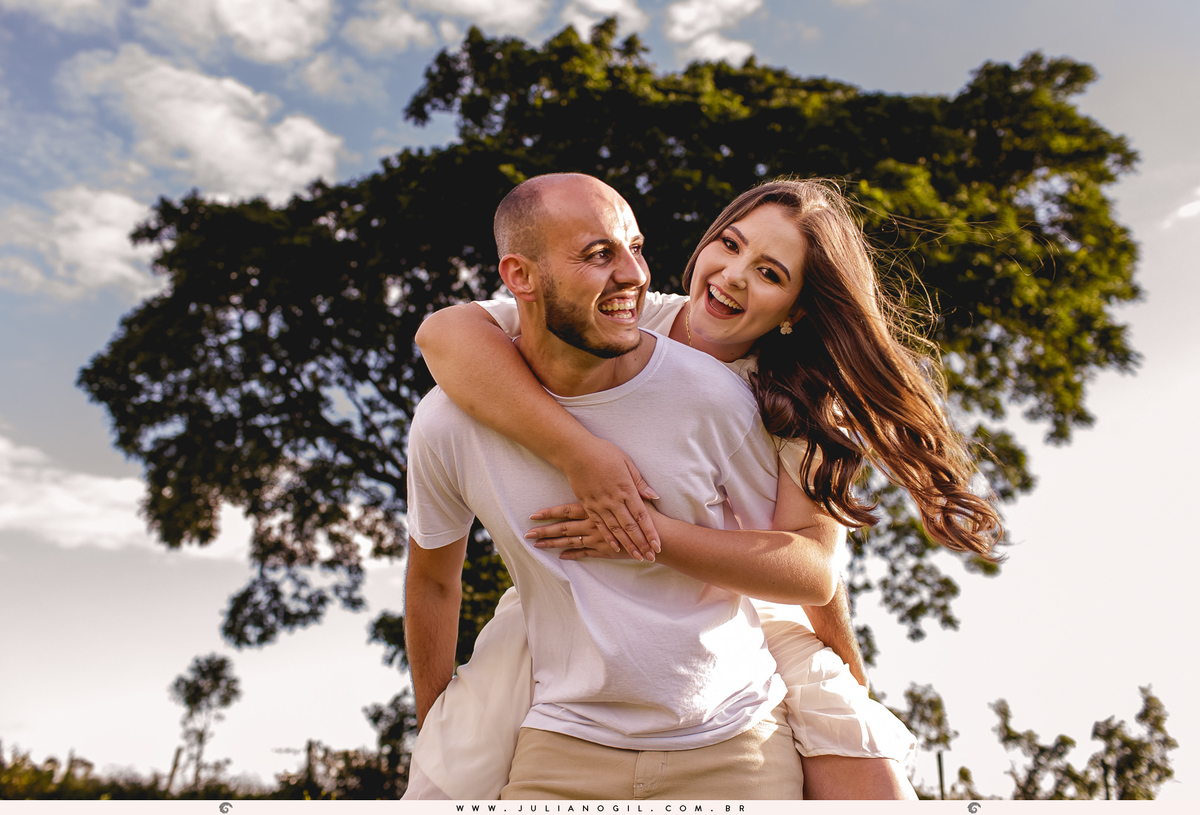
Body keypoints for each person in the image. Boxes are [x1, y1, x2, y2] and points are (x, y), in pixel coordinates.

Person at [407, 176, 1001, 799]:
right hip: (566, 610)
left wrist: (845, 669)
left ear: (796, 309)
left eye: (771, 273)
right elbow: (444, 336)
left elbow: (810, 569)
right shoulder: (627, 315)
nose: (735, 275)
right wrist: (581, 454)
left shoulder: (799, 401)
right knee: (449, 765)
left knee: (861, 762)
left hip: (742, 607)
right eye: (730, 244)